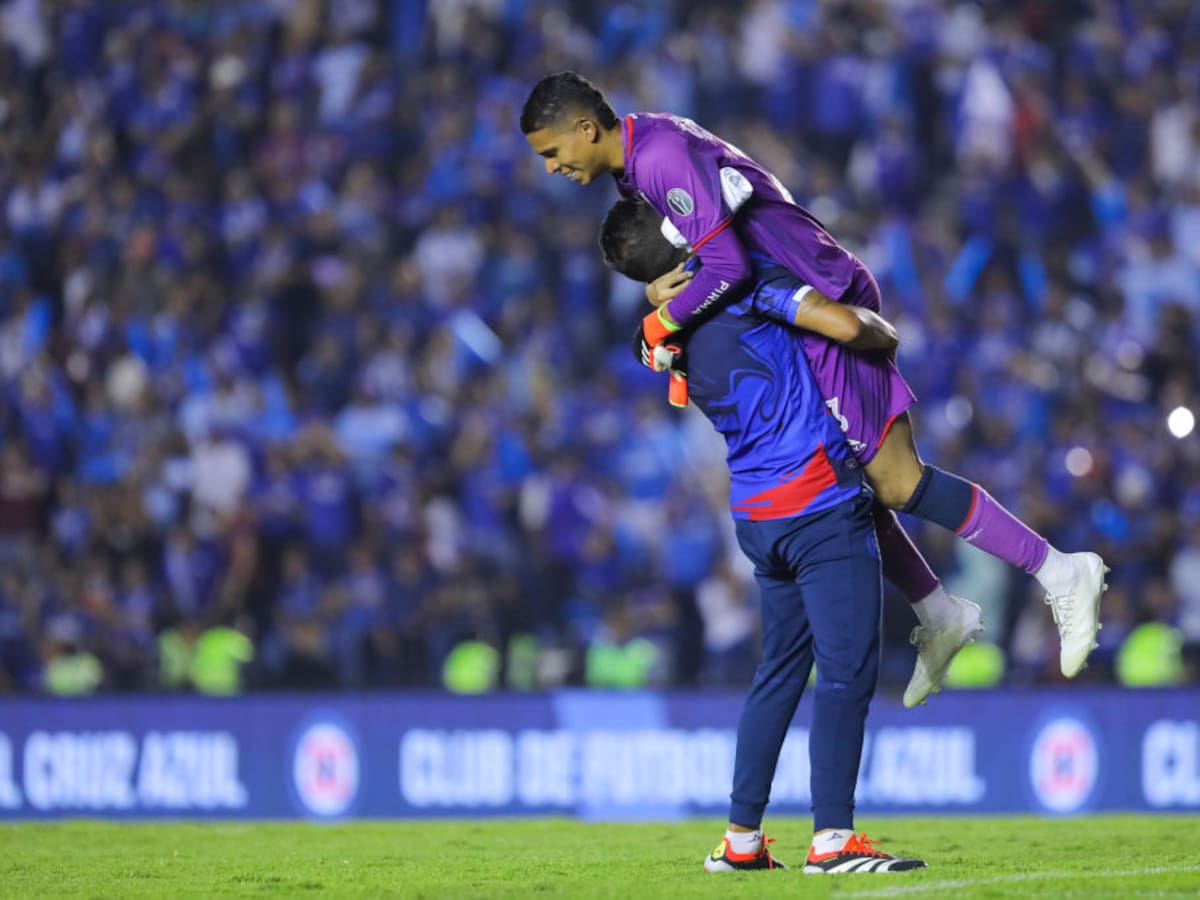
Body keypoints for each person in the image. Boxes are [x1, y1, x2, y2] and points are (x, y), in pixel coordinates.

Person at [523, 73, 1108, 688]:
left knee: (898, 481)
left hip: (817, 295)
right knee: (842, 480)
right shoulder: (642, 157)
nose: (552, 167)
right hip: (791, 303)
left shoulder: (659, 157)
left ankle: (1059, 571)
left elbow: (729, 264)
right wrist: (659, 292)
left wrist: (661, 321)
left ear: (586, 129)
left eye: (552, 152)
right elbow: (706, 245)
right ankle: (939, 612)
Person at [598, 199, 927, 874]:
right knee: (845, 672)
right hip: (818, 504)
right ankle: (834, 839)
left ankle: (741, 839)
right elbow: (842, 324)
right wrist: (881, 333)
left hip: (756, 515)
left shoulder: (664, 334)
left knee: (778, 672)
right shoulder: (747, 285)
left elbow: (659, 341)